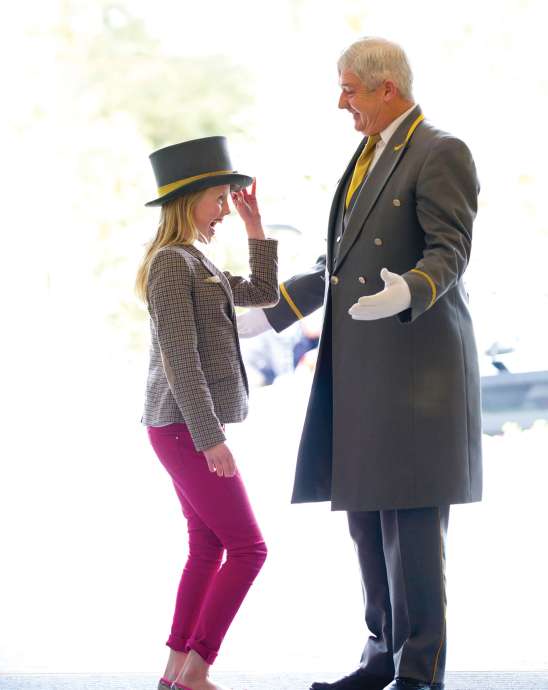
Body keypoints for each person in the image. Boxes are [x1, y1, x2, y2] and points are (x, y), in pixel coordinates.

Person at [238, 37, 481, 690]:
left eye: (349, 88)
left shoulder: (440, 151)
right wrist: (268, 313)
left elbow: (449, 250)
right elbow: (334, 267)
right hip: (362, 376)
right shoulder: (368, 154)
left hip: (414, 372)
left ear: (387, 90)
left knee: (414, 533)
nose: (340, 101)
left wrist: (406, 292)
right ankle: (381, 660)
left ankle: (419, 675)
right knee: (367, 524)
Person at [137, 136, 279, 690]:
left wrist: (254, 227)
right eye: (219, 199)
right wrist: (208, 436)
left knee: (208, 546)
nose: (224, 208)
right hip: (182, 426)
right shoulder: (172, 264)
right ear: (188, 199)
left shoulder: (195, 261)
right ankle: (197, 670)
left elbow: (264, 292)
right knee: (248, 549)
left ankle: (176, 671)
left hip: (180, 426)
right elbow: (180, 358)